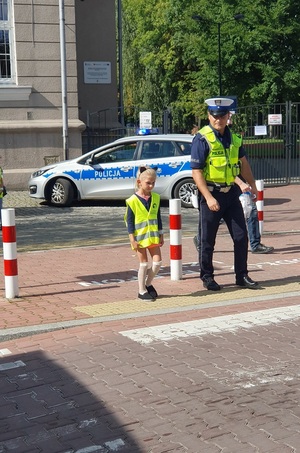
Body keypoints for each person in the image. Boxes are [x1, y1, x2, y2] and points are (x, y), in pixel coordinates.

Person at [191, 97, 259, 291]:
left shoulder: (234, 138)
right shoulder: (202, 139)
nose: (217, 119)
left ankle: (241, 275)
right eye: (214, 115)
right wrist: (209, 197)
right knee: (207, 240)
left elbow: (243, 163)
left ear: (228, 116)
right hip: (211, 194)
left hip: (231, 194)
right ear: (208, 116)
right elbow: (196, 172)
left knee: (241, 236)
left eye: (221, 115)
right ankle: (207, 277)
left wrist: (252, 184)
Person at [124, 166, 164, 300]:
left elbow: (158, 217)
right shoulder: (132, 200)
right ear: (139, 182)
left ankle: (148, 283)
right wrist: (132, 239)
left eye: (153, 182)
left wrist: (161, 233)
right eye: (148, 183)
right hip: (139, 237)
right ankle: (141, 291)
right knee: (144, 264)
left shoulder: (156, 198)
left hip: (153, 236)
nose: (151, 185)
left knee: (157, 263)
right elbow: (129, 221)